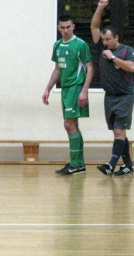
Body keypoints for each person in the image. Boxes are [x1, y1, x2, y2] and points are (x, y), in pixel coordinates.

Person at [90, 0, 134, 176]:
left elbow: (132, 67)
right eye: (103, 39)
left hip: (124, 96)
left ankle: (110, 164)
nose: (105, 42)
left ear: (116, 38)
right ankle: (128, 165)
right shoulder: (101, 48)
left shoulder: (126, 50)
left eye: (108, 39)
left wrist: (112, 58)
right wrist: (100, 8)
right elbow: (94, 27)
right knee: (118, 133)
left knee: (119, 130)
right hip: (109, 96)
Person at [42, 14, 93, 175]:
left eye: (68, 27)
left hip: (76, 87)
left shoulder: (80, 45)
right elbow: (57, 69)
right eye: (62, 27)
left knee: (69, 125)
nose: (65, 30)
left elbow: (90, 68)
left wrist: (84, 90)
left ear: (73, 27)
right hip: (65, 89)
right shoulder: (57, 45)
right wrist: (48, 88)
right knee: (72, 125)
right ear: (58, 28)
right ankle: (78, 163)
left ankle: (76, 163)